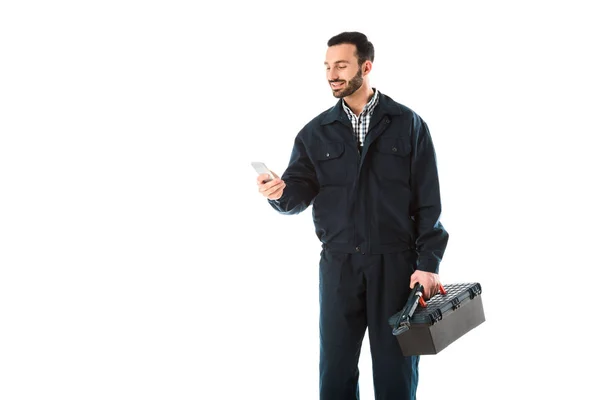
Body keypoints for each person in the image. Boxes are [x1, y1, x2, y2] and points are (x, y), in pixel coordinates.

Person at [256, 31, 449, 400]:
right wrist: (279, 194)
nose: (332, 74)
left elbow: (429, 203)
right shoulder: (315, 133)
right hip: (339, 264)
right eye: (328, 66)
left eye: (341, 65)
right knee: (336, 368)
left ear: (366, 66)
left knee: (396, 371)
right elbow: (296, 192)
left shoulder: (408, 125)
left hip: (395, 264)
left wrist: (428, 263)